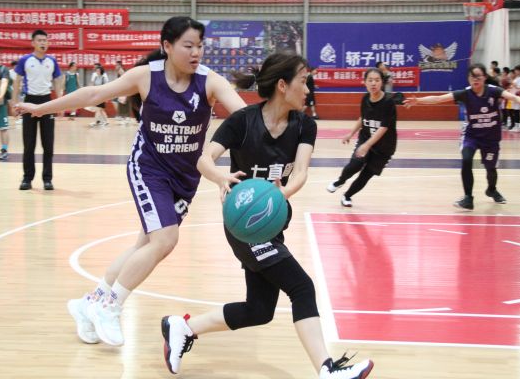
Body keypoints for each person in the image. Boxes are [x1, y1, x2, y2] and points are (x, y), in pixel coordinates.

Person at [16, 16, 247, 347]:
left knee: (146, 247)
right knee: (165, 239)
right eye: (188, 45)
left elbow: (243, 118)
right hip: (149, 169)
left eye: (200, 46)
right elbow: (94, 93)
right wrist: (42, 109)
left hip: (186, 176)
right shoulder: (147, 76)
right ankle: (111, 307)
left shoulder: (209, 81)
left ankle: (89, 303)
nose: (196, 52)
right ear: (167, 46)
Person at [160, 52, 373, 379]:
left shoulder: (304, 125)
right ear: (283, 85)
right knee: (302, 287)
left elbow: (300, 172)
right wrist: (220, 178)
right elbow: (204, 158)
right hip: (244, 226)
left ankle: (183, 327)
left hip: (271, 224)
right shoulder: (243, 121)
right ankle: (328, 370)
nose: (308, 90)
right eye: (304, 81)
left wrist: (280, 194)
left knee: (259, 310)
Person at [403, 63, 520, 210]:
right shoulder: (465, 93)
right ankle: (468, 198)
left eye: (478, 76)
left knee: (491, 168)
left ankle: (491, 189)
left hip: (490, 138)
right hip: (472, 135)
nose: (475, 79)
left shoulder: (493, 91)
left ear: (484, 77)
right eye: (472, 77)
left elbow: (513, 97)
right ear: (468, 79)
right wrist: (418, 100)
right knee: (466, 160)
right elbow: (440, 98)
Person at [326, 68, 397, 208]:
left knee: (366, 175)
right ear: (364, 82)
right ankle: (340, 181)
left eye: (377, 80)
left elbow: (383, 128)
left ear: (382, 82)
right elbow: (363, 118)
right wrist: (351, 133)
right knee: (355, 164)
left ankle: (347, 196)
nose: (373, 83)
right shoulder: (365, 98)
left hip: (384, 147)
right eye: (370, 80)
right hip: (365, 138)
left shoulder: (388, 102)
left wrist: (367, 145)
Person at [11, 29, 63, 191]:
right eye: (39, 40)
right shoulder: (25, 60)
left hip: (47, 101)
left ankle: (47, 179)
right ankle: (27, 179)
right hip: (29, 102)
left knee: (48, 144)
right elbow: (17, 81)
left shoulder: (52, 61)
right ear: (33, 43)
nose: (42, 43)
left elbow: (58, 81)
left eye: (45, 40)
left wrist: (60, 103)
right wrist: (14, 103)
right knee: (29, 143)